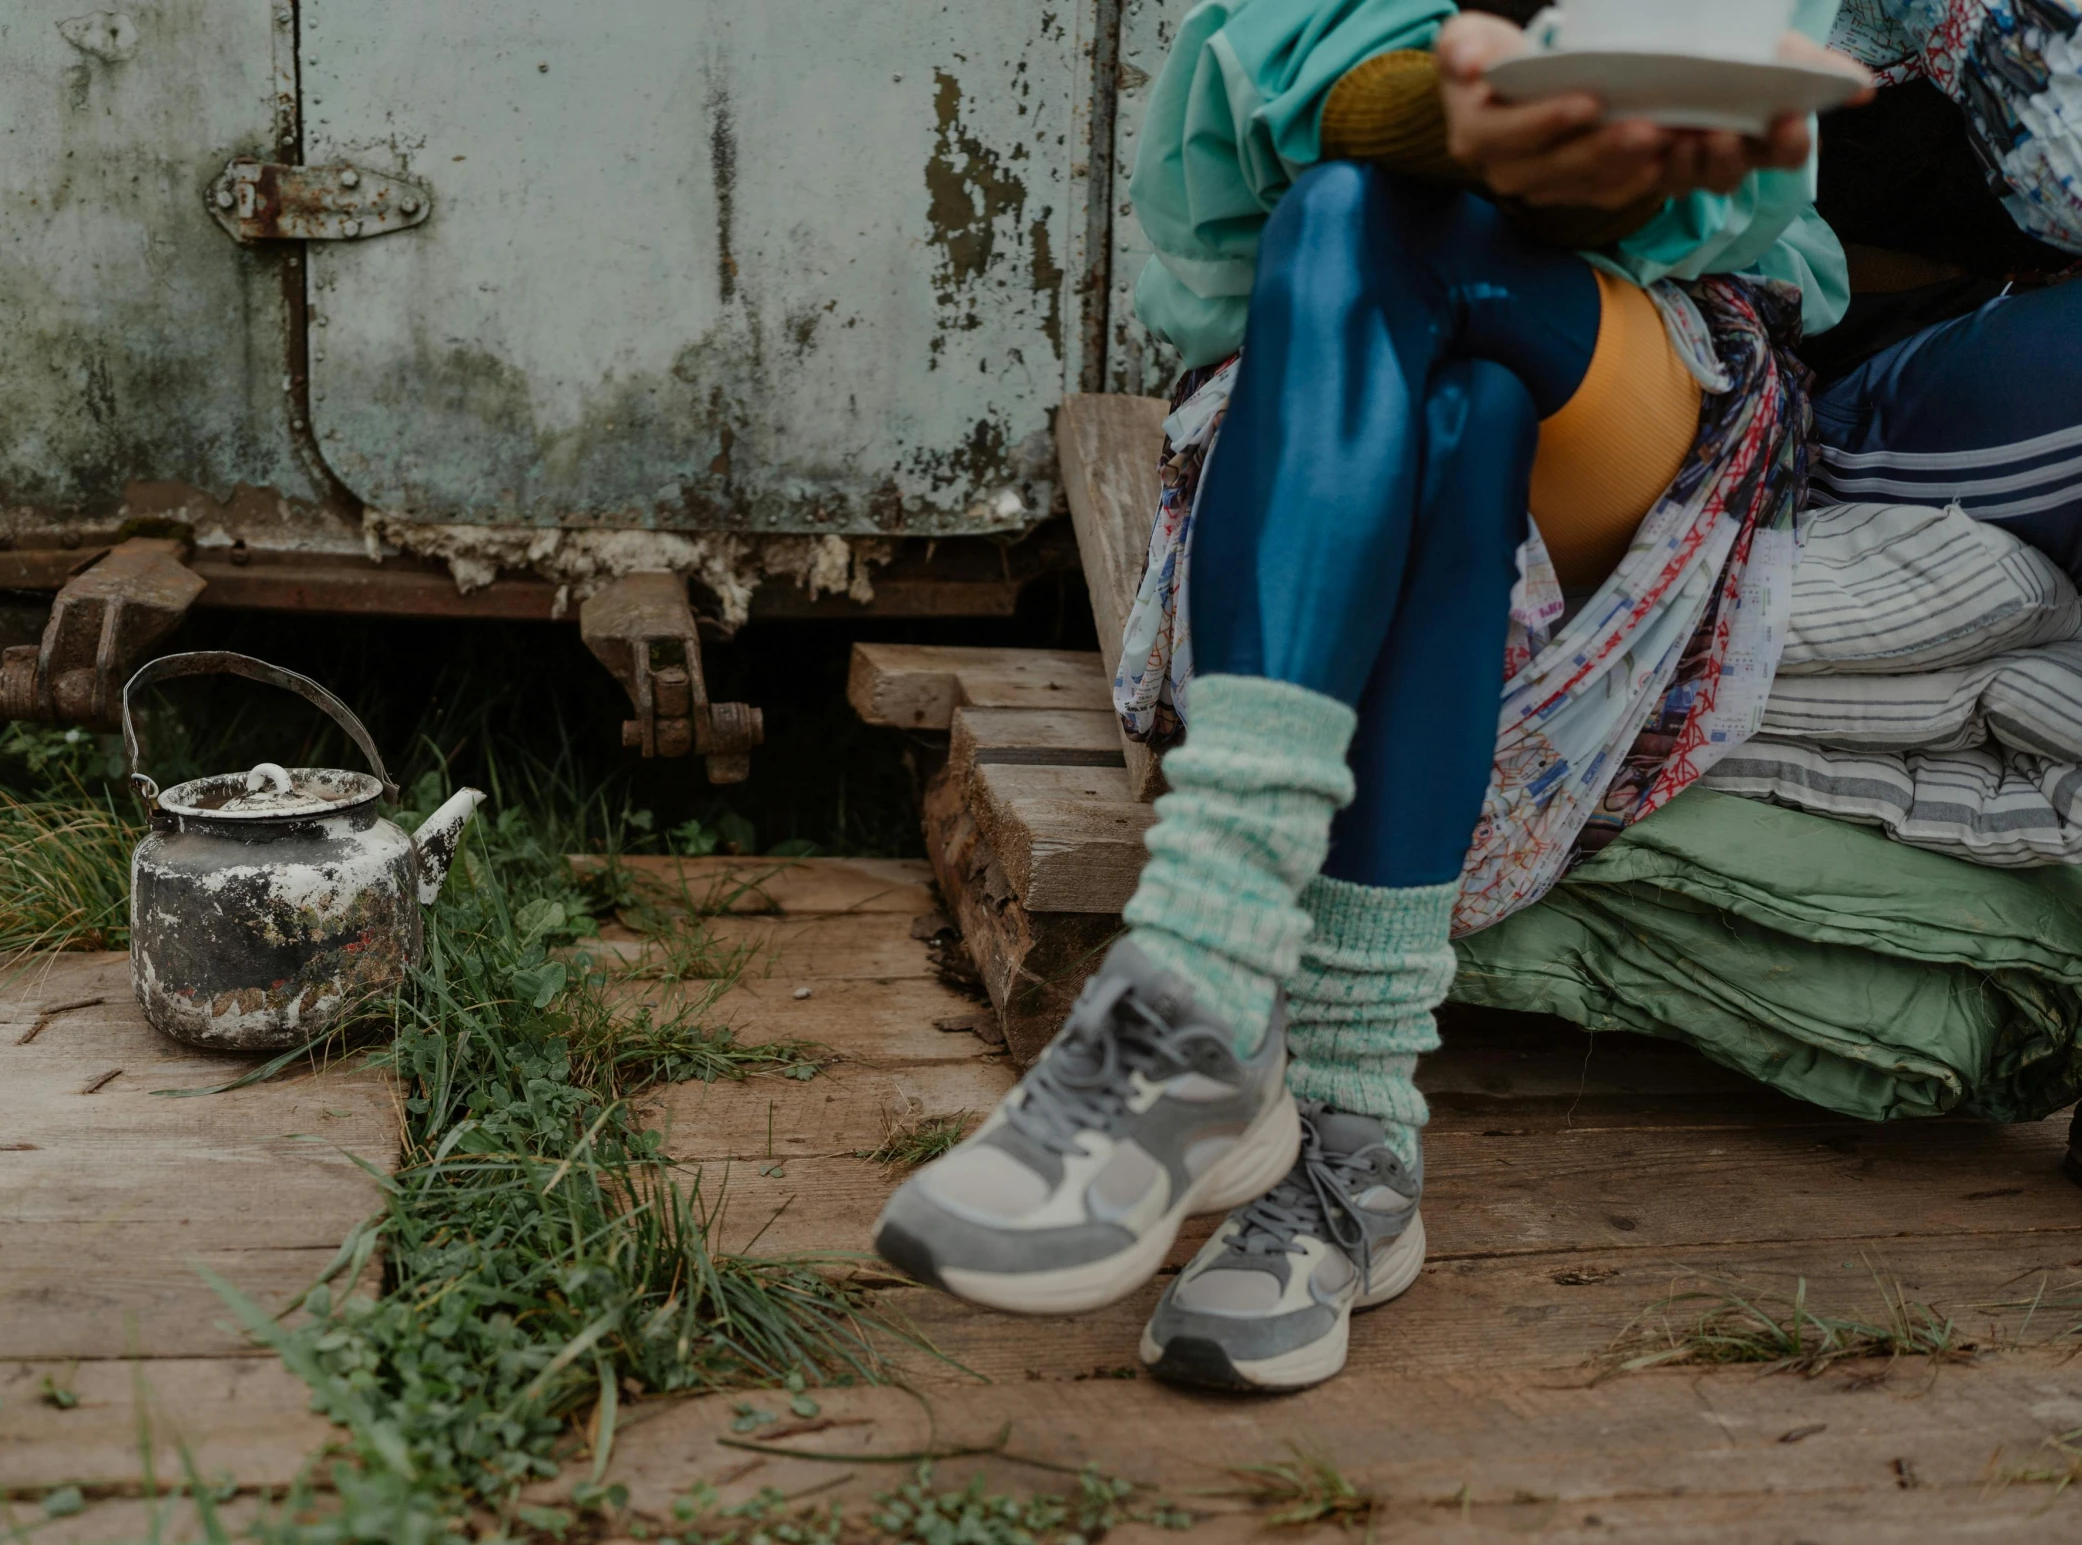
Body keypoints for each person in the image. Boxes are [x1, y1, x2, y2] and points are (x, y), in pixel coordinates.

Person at [875, 0, 2082, 1393]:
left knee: (1375, 239)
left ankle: (1196, 979)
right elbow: (1239, 121)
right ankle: (1353, 1145)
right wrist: (1441, 118)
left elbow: (1750, 199)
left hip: (1643, 355)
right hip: (1343, 355)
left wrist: (1603, 164)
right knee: (1433, 363)